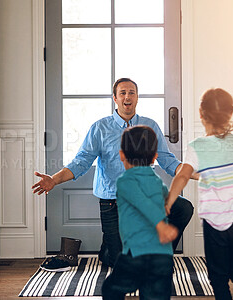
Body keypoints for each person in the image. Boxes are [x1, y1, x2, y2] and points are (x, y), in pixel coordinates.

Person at [32, 78, 194, 267]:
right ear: (115, 99)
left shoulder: (150, 126)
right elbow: (81, 162)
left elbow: (168, 161)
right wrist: (54, 179)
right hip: (113, 201)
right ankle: (109, 249)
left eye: (132, 92)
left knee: (183, 208)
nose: (127, 96)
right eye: (123, 93)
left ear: (137, 97)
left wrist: (194, 172)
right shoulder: (100, 128)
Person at [166, 88, 233, 300]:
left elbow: (182, 176)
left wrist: (170, 200)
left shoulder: (198, 147)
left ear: (201, 114)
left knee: (218, 276)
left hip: (215, 222)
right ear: (229, 114)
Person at [102, 125, 178, 300]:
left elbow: (142, 203)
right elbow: (164, 198)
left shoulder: (124, 181)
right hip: (163, 256)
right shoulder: (157, 181)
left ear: (121, 155)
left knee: (110, 289)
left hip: (137, 254)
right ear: (155, 157)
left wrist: (161, 225)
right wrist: (167, 205)